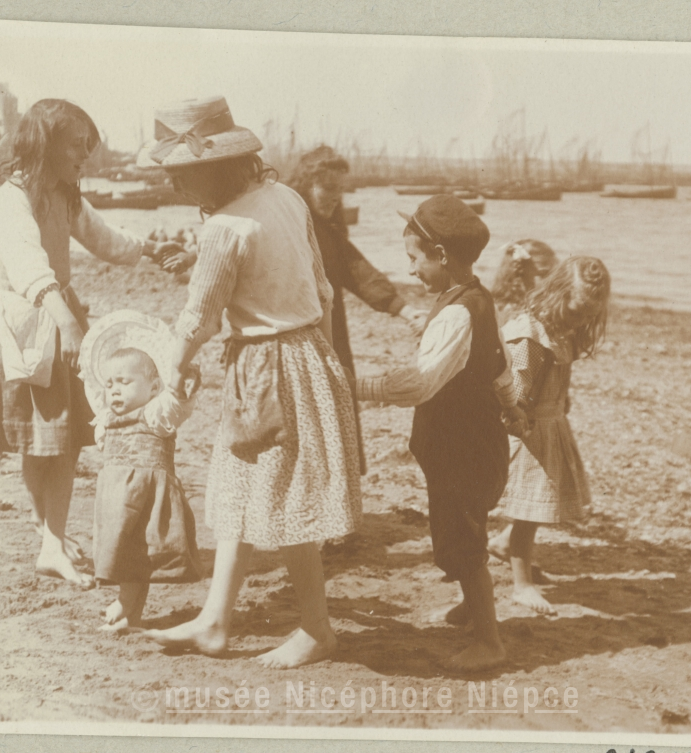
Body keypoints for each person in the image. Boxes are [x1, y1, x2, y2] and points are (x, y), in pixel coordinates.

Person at [136, 97, 361, 668]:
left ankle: (317, 629)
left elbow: (200, 318)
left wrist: (172, 373)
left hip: (266, 368)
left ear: (210, 170)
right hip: (306, 353)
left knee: (285, 498)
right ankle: (215, 619)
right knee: (240, 489)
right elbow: (322, 288)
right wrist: (326, 360)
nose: (173, 184)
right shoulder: (285, 197)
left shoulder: (224, 228)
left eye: (180, 173)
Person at [0, 99, 183, 587]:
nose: (85, 156)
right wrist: (66, 322)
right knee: (43, 439)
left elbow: (105, 239)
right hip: (28, 323)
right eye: (77, 146)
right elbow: (27, 264)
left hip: (57, 312)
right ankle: (49, 538)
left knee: (59, 441)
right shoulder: (12, 199)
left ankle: (50, 535)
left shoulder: (64, 195)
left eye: (89, 146)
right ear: (43, 145)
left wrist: (150, 248)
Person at [355, 194, 516, 671]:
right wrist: (513, 406)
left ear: (441, 255)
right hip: (472, 440)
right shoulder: (478, 299)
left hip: (460, 446)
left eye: (414, 259)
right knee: (462, 525)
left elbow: (420, 383)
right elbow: (501, 365)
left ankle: (489, 641)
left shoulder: (455, 314)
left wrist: (357, 387)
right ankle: (472, 606)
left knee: (462, 536)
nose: (410, 270)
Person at [288, 145, 428, 468]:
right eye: (328, 188)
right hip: (294, 335)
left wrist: (405, 310)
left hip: (331, 331)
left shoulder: (328, 228)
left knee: (332, 413)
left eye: (341, 189)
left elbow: (356, 270)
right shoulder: (290, 224)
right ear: (306, 184)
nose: (336, 197)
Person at [485, 257, 611, 615]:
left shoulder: (559, 329)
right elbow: (516, 387)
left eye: (588, 316)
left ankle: (504, 544)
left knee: (540, 501)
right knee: (529, 508)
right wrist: (519, 419)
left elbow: (558, 375)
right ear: (558, 294)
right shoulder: (531, 335)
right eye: (576, 312)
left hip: (550, 424)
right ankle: (521, 585)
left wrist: (562, 400)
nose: (580, 321)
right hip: (528, 428)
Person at [80, 312, 204, 632]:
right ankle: (130, 617)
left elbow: (177, 402)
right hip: (116, 502)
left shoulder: (156, 414)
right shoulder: (106, 418)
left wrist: (183, 380)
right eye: (110, 384)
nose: (114, 391)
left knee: (138, 555)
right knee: (126, 556)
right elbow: (95, 397)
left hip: (148, 499)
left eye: (124, 382)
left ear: (153, 388)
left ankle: (125, 603)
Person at [490, 239, 559, 311]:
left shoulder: (552, 306)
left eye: (555, 274)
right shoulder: (499, 309)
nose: (552, 281)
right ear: (519, 276)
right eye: (544, 274)